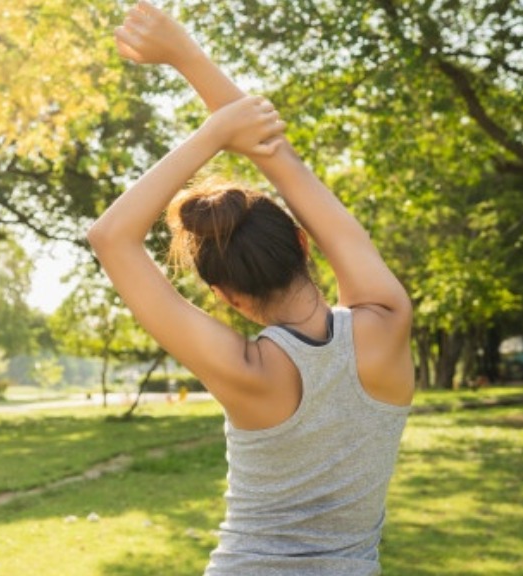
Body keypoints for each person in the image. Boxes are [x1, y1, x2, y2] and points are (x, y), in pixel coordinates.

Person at [87, 2, 415, 574]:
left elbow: (111, 237)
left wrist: (213, 132)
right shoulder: (387, 321)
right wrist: (188, 57)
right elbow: (278, 157)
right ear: (304, 244)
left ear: (225, 295)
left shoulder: (247, 371)